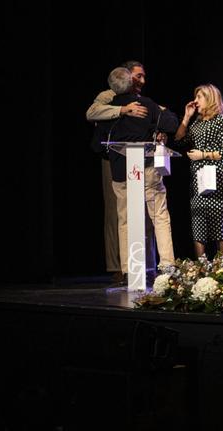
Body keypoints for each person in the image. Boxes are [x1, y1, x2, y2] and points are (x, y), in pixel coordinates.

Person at [99, 67, 180, 279]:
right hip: (147, 167)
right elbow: (171, 124)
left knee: (124, 219)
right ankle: (167, 266)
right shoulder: (145, 104)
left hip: (120, 171)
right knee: (159, 215)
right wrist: (163, 111)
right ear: (131, 83)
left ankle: (128, 270)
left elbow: (97, 145)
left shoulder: (108, 109)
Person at [86, 61, 151, 281]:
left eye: (143, 77)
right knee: (116, 212)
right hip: (112, 157)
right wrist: (123, 110)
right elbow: (92, 113)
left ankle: (142, 264)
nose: (141, 81)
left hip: (137, 158)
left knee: (141, 212)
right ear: (126, 76)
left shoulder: (141, 99)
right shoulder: (109, 94)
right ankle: (118, 267)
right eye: (137, 77)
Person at [174, 84, 223, 258]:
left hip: (216, 171)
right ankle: (201, 266)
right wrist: (186, 118)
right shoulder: (197, 122)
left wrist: (203, 155)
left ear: (210, 99)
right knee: (198, 216)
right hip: (198, 174)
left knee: (217, 216)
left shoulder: (222, 120)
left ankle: (222, 265)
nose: (195, 101)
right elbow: (178, 140)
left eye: (199, 97)